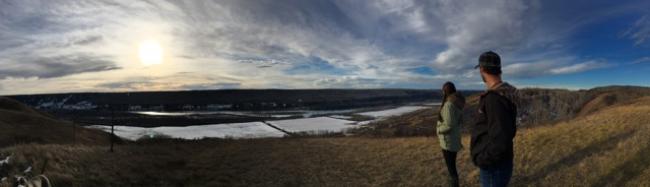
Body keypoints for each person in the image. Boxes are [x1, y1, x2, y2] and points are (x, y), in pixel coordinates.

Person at [470, 51, 518, 187]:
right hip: (502, 162)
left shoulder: (494, 99)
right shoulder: (506, 93)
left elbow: (501, 138)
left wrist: (483, 160)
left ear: (482, 69)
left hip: (494, 167)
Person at [436, 81, 465, 187]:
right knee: (452, 166)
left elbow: (449, 125)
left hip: (448, 141)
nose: (442, 92)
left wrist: (439, 129)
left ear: (445, 91)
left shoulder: (449, 104)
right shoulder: (456, 102)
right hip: (453, 139)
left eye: (443, 90)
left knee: (451, 168)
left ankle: (454, 185)